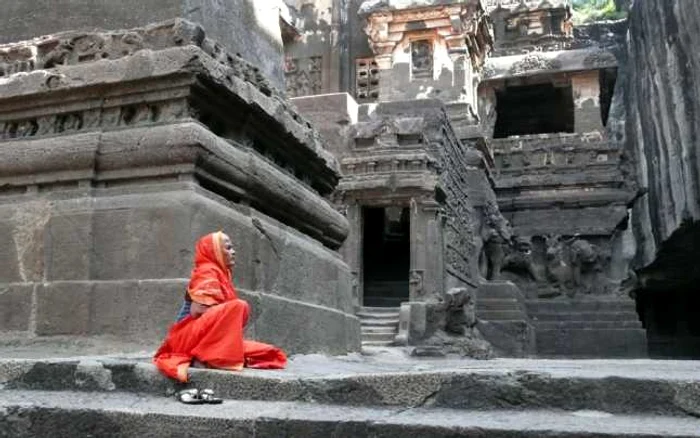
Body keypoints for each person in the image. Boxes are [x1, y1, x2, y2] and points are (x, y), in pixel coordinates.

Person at [153, 231, 286, 385]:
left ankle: (205, 356)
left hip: (202, 337)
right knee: (239, 306)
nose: (234, 252)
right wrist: (229, 313)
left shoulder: (221, 274)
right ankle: (203, 356)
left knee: (269, 353)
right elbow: (197, 311)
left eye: (232, 248)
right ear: (213, 251)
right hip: (185, 338)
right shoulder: (207, 271)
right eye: (228, 248)